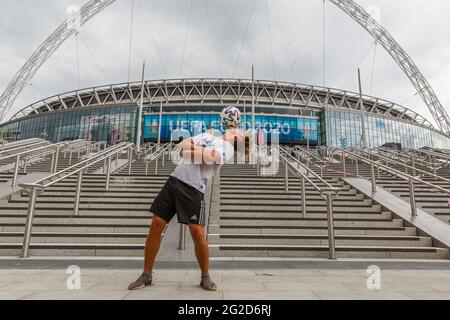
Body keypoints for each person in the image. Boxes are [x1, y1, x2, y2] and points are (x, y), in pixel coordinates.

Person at [128, 106, 245, 292]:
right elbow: (181, 148)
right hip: (175, 179)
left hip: (194, 188)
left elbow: (210, 157)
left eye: (237, 132)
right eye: (233, 129)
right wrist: (196, 151)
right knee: (156, 223)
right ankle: (146, 274)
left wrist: (193, 150)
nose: (235, 133)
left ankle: (205, 276)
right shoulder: (207, 137)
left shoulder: (228, 149)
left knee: (197, 233)